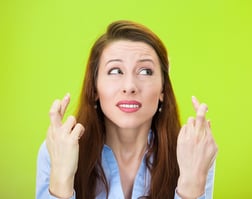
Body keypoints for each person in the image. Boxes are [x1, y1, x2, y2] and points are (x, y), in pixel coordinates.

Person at [36, 20, 218, 199]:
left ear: (163, 88)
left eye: (145, 71)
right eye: (115, 71)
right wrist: (61, 178)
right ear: (94, 88)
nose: (130, 86)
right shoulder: (59, 149)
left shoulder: (194, 152)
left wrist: (191, 185)